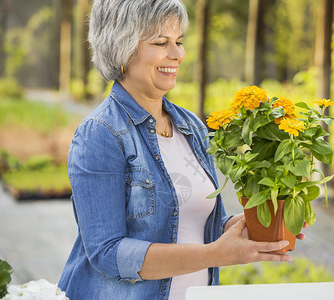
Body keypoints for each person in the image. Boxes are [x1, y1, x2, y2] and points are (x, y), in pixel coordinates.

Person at [58, 0, 306, 299]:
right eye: (161, 42)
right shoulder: (102, 133)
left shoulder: (190, 125)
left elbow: (200, 227)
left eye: (179, 41)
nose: (177, 54)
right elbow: (108, 252)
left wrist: (256, 225)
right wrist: (216, 254)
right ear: (121, 48)